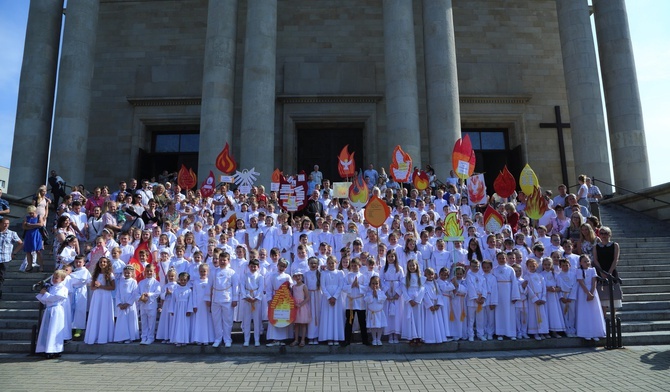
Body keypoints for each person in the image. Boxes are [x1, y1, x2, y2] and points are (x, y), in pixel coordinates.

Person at [35, 269, 69, 359]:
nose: (54, 279)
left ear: (62, 279)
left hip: (56, 310)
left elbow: (55, 298)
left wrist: (45, 294)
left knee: (54, 330)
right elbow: (45, 300)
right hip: (49, 309)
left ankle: (54, 349)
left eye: (56, 278)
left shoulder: (63, 288)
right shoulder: (51, 287)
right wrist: (42, 294)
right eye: (53, 277)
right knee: (46, 330)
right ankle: (44, 349)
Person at [85, 257, 116, 344]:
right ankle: (95, 335)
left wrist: (101, 286)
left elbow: (113, 287)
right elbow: (92, 287)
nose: (102, 263)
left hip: (106, 296)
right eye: (101, 262)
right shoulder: (95, 274)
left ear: (107, 264)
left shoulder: (110, 274)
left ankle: (105, 336)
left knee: (104, 315)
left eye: (104, 262)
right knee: (96, 314)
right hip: (97, 296)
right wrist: (96, 286)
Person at [211, 252, 238, 348]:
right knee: (216, 320)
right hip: (215, 299)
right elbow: (210, 286)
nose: (222, 262)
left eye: (224, 260)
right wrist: (208, 298)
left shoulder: (232, 272)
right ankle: (218, 338)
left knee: (227, 320)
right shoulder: (214, 271)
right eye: (220, 260)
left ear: (228, 261)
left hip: (227, 298)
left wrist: (235, 299)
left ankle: (227, 339)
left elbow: (235, 287)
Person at [576, 255, 606, 341]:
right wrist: (588, 293)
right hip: (583, 292)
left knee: (594, 311)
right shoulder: (579, 271)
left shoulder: (593, 270)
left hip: (592, 292)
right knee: (585, 312)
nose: (587, 263)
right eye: (584, 261)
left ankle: (596, 332)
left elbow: (594, 282)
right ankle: (586, 332)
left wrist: (592, 293)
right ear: (581, 263)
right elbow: (581, 282)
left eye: (588, 261)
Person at [592, 226, 622, 312]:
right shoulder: (596, 247)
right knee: (603, 294)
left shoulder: (615, 245)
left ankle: (614, 316)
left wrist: (610, 272)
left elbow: (615, 259)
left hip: (611, 270)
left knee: (614, 294)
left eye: (606, 233)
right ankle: (604, 316)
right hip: (601, 271)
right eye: (601, 233)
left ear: (609, 235)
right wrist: (601, 272)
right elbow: (595, 260)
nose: (603, 235)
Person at [493, 252, 520, 340]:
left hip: (508, 293)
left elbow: (515, 283)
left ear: (506, 259)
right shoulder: (494, 269)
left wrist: (514, 296)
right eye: (500, 258)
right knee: (499, 313)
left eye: (503, 258)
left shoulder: (510, 269)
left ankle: (511, 332)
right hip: (498, 293)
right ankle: (500, 333)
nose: (501, 260)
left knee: (509, 313)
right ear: (497, 259)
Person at [342, 258, 369, 346]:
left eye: (355, 265)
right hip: (350, 302)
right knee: (349, 322)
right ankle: (347, 340)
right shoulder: (348, 276)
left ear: (359, 266)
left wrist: (359, 286)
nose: (354, 267)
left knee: (362, 321)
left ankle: (365, 340)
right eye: (352, 265)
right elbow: (343, 287)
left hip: (360, 301)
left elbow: (366, 288)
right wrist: (351, 285)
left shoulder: (363, 276)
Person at [319, 255, 345, 346]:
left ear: (336, 263)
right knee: (328, 317)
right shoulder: (324, 273)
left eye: (332, 263)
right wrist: (329, 297)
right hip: (327, 298)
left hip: (337, 298)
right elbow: (323, 286)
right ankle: (329, 337)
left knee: (336, 317)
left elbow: (341, 285)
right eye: (329, 263)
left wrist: (335, 297)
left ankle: (337, 337)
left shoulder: (340, 273)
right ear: (326, 264)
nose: (331, 265)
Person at [240, 259, 264, 347]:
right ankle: (246, 339)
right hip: (247, 298)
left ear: (258, 267)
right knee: (246, 320)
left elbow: (261, 288)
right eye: (251, 266)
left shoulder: (260, 277)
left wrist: (256, 298)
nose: (253, 268)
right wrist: (246, 296)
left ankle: (256, 339)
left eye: (255, 266)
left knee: (257, 320)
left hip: (256, 300)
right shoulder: (244, 276)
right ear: (248, 266)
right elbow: (242, 286)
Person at [540, 257, 566, 338]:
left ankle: (554, 331)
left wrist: (555, 289)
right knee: (546, 313)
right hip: (545, 296)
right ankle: (546, 331)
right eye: (545, 265)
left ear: (551, 265)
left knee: (554, 314)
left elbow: (560, 287)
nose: (547, 266)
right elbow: (540, 287)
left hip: (554, 297)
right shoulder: (541, 275)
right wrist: (547, 289)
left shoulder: (555, 275)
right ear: (543, 265)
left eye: (549, 264)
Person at [114, 265, 140, 343]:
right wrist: (119, 303)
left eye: (128, 273)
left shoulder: (133, 282)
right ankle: (121, 337)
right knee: (122, 321)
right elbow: (117, 293)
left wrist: (128, 303)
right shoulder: (120, 282)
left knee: (129, 321)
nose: (127, 274)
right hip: (121, 304)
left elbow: (134, 294)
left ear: (132, 273)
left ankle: (130, 337)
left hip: (129, 305)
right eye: (125, 273)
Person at [401, 259, 425, 345]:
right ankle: (411, 337)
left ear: (416, 266)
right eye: (410, 266)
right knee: (410, 319)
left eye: (413, 265)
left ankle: (418, 337)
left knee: (418, 318)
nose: (412, 267)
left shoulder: (421, 278)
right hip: (409, 302)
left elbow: (422, 289)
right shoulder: (405, 279)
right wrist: (409, 300)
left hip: (418, 302)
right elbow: (403, 290)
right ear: (407, 267)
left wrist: (417, 300)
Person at [137, 263, 161, 345]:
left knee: (151, 322)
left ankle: (150, 337)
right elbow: (137, 293)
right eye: (147, 271)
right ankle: (144, 337)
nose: (149, 273)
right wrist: (141, 297)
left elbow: (157, 292)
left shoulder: (156, 283)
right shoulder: (141, 283)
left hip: (151, 304)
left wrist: (149, 294)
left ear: (154, 271)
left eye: (151, 271)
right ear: (145, 272)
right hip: (143, 305)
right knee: (144, 321)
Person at [525, 258, 548, 340]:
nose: (532, 267)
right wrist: (535, 298)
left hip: (540, 297)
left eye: (534, 266)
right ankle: (535, 332)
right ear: (527, 267)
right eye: (530, 266)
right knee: (533, 315)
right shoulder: (526, 276)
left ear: (537, 266)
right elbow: (528, 288)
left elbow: (544, 287)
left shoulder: (540, 276)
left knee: (542, 315)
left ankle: (542, 331)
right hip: (533, 300)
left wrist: (543, 297)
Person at [191, 264, 214, 345]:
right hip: (199, 304)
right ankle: (199, 338)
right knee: (199, 321)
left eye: (204, 271)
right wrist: (194, 305)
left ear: (208, 272)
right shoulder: (196, 282)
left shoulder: (210, 281)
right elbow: (194, 294)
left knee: (208, 321)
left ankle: (208, 338)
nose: (203, 273)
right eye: (201, 271)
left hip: (207, 304)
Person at [422, 268, 446, 344]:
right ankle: (430, 338)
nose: (430, 276)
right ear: (425, 275)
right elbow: (425, 295)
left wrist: (438, 304)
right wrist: (430, 305)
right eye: (428, 274)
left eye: (432, 274)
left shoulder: (436, 283)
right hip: (429, 306)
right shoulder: (424, 284)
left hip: (436, 305)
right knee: (429, 322)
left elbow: (439, 294)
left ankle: (438, 337)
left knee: (437, 322)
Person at [0, 218, 23, 298]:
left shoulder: (12, 233)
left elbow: (20, 243)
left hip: (5, 258)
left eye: (8, 223)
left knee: (1, 277)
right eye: (4, 223)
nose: (6, 225)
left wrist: (14, 252)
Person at [171, 272, 194, 347]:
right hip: (177, 309)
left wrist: (189, 310)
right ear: (179, 280)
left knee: (185, 324)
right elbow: (173, 301)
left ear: (187, 280)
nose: (183, 281)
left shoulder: (189, 290)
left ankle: (184, 340)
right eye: (181, 280)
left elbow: (190, 301)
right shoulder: (176, 290)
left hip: (185, 310)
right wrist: (172, 310)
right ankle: (177, 340)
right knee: (177, 324)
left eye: (184, 280)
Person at [156, 268, 178, 343]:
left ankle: (172, 337)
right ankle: (166, 337)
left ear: (175, 277)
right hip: (166, 305)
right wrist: (166, 293)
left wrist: (171, 293)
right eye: (169, 276)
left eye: (172, 276)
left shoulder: (177, 286)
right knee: (166, 320)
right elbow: (162, 296)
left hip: (173, 305)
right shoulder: (165, 286)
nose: (171, 278)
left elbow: (178, 295)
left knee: (172, 320)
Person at [365, 275, 387, 346]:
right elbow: (366, 300)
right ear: (370, 284)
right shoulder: (368, 293)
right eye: (373, 283)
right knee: (373, 327)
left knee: (379, 327)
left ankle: (379, 339)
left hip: (379, 312)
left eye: (376, 283)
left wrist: (377, 295)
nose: (375, 285)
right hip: (372, 313)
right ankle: (374, 339)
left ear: (379, 284)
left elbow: (383, 299)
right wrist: (372, 296)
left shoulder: (381, 292)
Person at [290, 271, 311, 347]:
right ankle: (296, 340)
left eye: (299, 276)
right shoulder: (293, 287)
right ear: (293, 278)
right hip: (296, 306)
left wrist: (301, 304)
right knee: (296, 324)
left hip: (302, 306)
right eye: (296, 276)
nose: (298, 277)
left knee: (303, 324)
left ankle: (302, 340)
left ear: (302, 277)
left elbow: (307, 297)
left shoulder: (304, 286)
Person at [23, 205, 45, 273]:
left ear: (35, 211)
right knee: (28, 251)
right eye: (29, 213)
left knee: (38, 251)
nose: (31, 214)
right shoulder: (27, 217)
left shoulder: (39, 216)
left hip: (37, 235)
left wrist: (30, 225)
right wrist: (34, 226)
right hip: (28, 235)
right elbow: (24, 227)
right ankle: (29, 266)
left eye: (32, 213)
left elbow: (41, 224)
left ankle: (41, 266)